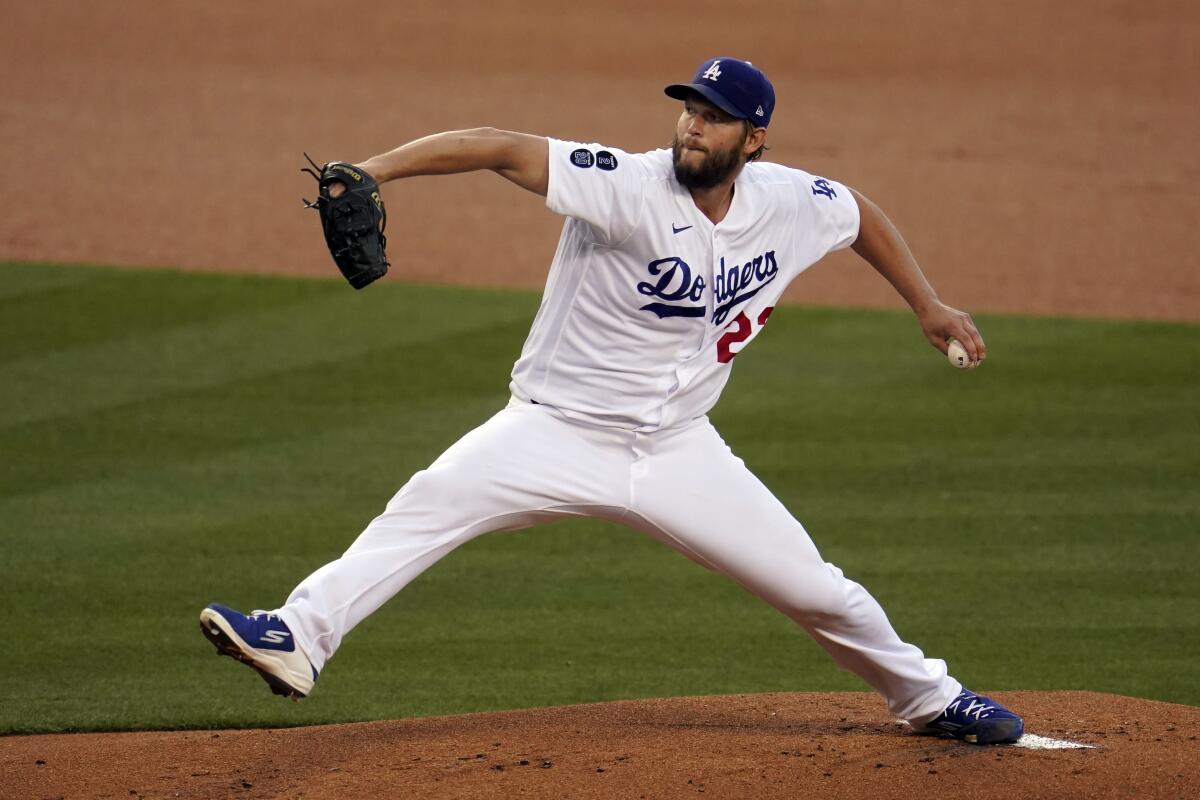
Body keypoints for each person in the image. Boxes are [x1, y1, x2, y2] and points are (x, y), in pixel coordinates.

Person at [201, 57, 1023, 745]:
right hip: (552, 431)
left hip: (678, 449)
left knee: (814, 588)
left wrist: (928, 303)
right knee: (426, 507)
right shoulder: (622, 185)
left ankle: (929, 698)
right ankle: (297, 635)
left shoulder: (786, 202)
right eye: (689, 111)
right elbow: (498, 146)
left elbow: (857, 214)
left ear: (755, 137)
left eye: (716, 117)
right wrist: (374, 171)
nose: (694, 127)